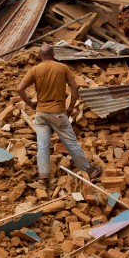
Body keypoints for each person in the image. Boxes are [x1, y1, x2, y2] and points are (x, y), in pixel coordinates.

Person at [17, 44, 102, 187]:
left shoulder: (35, 70)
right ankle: (90, 170)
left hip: (41, 114)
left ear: (40, 55)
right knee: (71, 144)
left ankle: (44, 176)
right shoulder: (62, 68)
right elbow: (75, 87)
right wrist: (71, 106)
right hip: (58, 113)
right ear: (54, 54)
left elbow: (19, 89)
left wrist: (31, 104)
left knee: (43, 146)